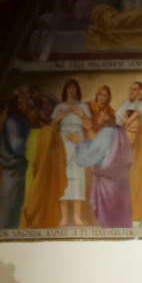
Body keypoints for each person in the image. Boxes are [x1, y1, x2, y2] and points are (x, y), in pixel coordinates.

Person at [73, 104, 134, 228]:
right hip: (120, 178)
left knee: (109, 209)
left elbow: (92, 152)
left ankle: (110, 228)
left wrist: (79, 142)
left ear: (103, 120)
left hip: (108, 177)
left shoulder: (106, 132)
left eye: (100, 116)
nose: (98, 118)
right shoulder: (119, 131)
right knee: (119, 206)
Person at [51, 79, 91, 226]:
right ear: (65, 90)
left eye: (74, 87)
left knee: (78, 179)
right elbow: (52, 127)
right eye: (69, 87)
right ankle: (64, 218)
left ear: (77, 90)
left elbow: (89, 126)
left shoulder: (83, 106)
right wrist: (58, 118)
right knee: (64, 178)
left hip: (78, 143)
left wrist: (82, 115)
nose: (71, 90)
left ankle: (77, 217)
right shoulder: (60, 107)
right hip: (63, 144)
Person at [0, 93, 32, 229]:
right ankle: (5, 228)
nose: (24, 105)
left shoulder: (22, 121)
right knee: (10, 198)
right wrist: (32, 142)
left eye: (24, 102)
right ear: (15, 106)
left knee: (18, 199)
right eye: (21, 103)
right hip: (12, 165)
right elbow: (17, 146)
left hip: (20, 165)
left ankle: (13, 228)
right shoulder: (12, 122)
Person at [124, 110, 142, 222]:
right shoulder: (138, 127)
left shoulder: (132, 129)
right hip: (134, 164)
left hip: (133, 166)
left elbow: (124, 143)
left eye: (125, 116)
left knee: (133, 189)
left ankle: (133, 215)